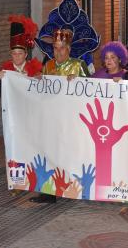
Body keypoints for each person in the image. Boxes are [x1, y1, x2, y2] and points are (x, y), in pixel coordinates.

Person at [32, 28, 91, 203]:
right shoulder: (48, 66)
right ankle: (48, 193)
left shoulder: (79, 65)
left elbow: (92, 90)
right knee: (49, 154)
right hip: (52, 119)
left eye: (62, 48)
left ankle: (75, 188)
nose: (58, 52)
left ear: (69, 49)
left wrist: (79, 81)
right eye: (55, 48)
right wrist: (38, 80)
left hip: (73, 120)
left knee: (71, 154)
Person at [0, 15, 42, 79]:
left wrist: (40, 80)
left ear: (26, 54)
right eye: (14, 53)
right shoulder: (5, 71)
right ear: (11, 54)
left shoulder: (35, 71)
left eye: (20, 53)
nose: (17, 56)